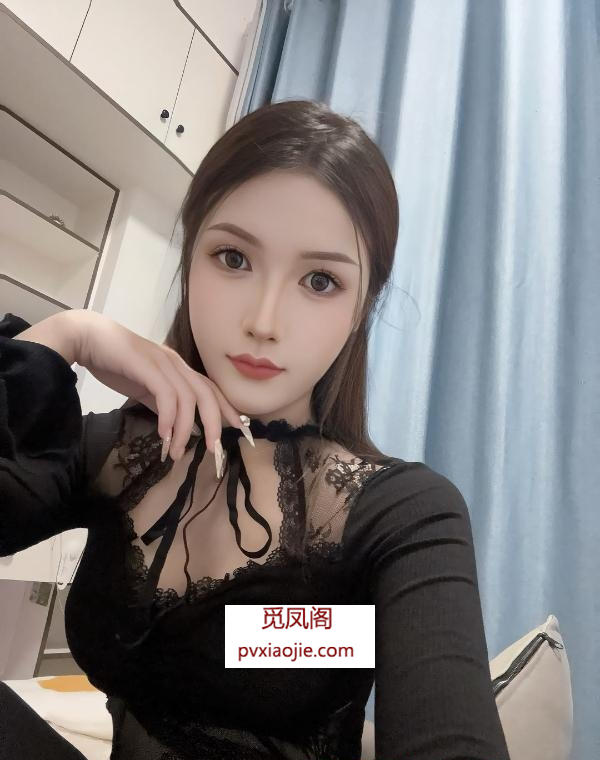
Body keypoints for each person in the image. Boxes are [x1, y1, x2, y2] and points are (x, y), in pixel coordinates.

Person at [0, 99, 511, 760]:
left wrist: (309, 635)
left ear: (362, 307)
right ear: (191, 259)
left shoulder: (401, 515)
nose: (264, 321)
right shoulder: (117, 455)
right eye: (233, 258)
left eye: (320, 280)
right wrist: (67, 336)